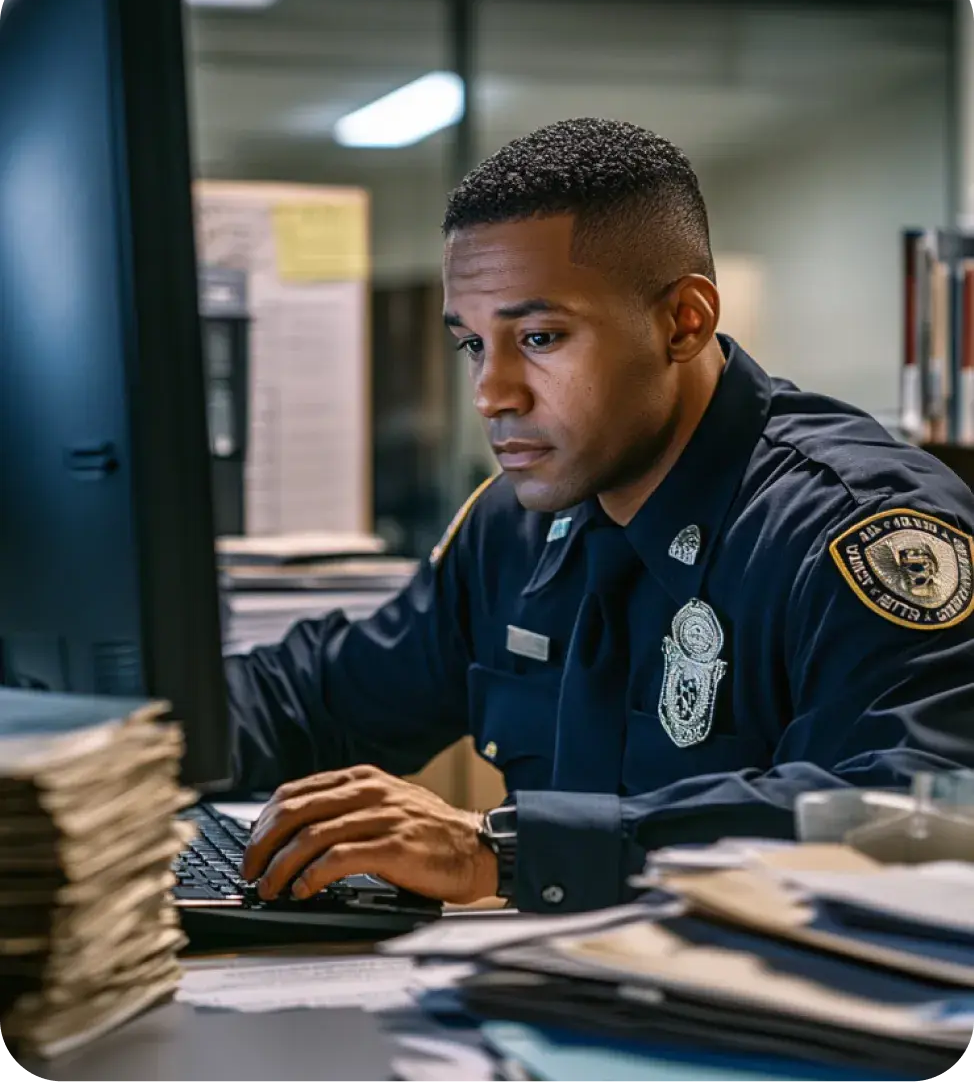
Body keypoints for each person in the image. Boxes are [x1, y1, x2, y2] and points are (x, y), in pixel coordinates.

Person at [233, 118, 974, 915]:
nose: (491, 394)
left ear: (682, 322)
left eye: (541, 336)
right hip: (560, 997)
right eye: (473, 346)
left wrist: (504, 850)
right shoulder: (514, 525)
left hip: (779, 1022)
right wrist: (116, 747)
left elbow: (914, 814)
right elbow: (317, 699)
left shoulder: (859, 530)